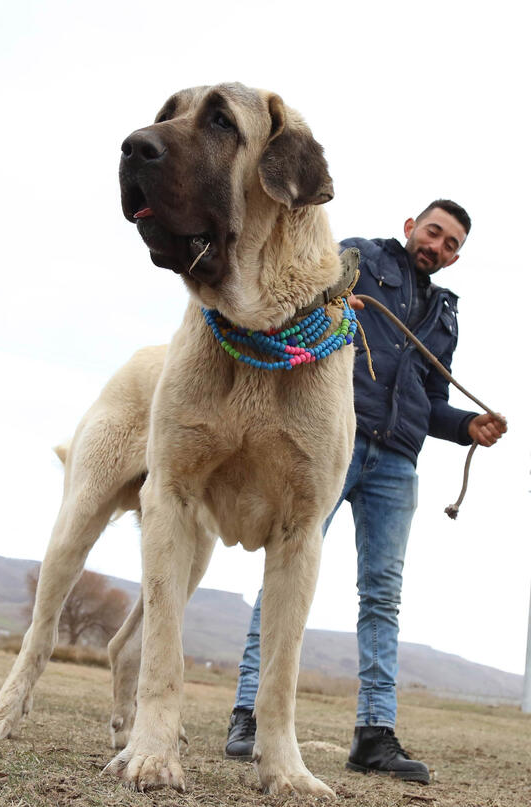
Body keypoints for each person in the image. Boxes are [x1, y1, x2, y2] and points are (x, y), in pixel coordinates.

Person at [224, 200, 507, 784]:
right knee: (287, 570)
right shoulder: (352, 258)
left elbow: (430, 403)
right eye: (434, 232)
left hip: (397, 463)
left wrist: (465, 427)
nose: (439, 246)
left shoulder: (445, 316)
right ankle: (249, 715)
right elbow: (293, 306)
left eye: (452, 244)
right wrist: (326, 306)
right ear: (410, 227)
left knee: (382, 596)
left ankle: (374, 735)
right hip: (332, 439)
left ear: (456, 257)